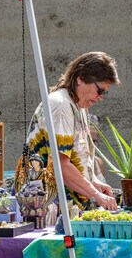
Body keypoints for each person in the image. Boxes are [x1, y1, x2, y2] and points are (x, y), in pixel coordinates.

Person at [25, 51, 119, 210]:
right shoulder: (61, 105)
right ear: (81, 79)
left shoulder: (77, 105)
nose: (101, 97)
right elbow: (59, 165)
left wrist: (95, 183)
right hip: (50, 207)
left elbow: (77, 160)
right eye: (100, 90)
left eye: (105, 92)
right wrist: (97, 195)